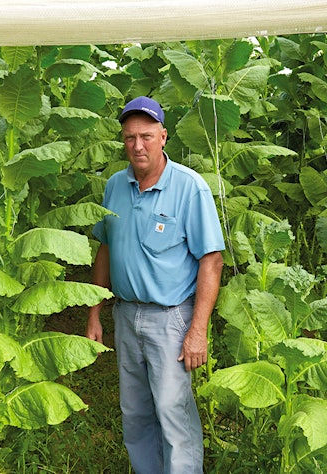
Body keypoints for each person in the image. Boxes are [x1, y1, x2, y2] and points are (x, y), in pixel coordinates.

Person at [86, 96, 224, 473]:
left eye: (146, 136)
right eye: (130, 137)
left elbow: (211, 261)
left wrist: (198, 330)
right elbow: (105, 249)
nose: (138, 145)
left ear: (163, 137)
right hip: (126, 316)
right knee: (135, 412)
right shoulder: (116, 186)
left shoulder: (189, 188)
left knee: (171, 412)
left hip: (171, 319)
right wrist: (94, 313)